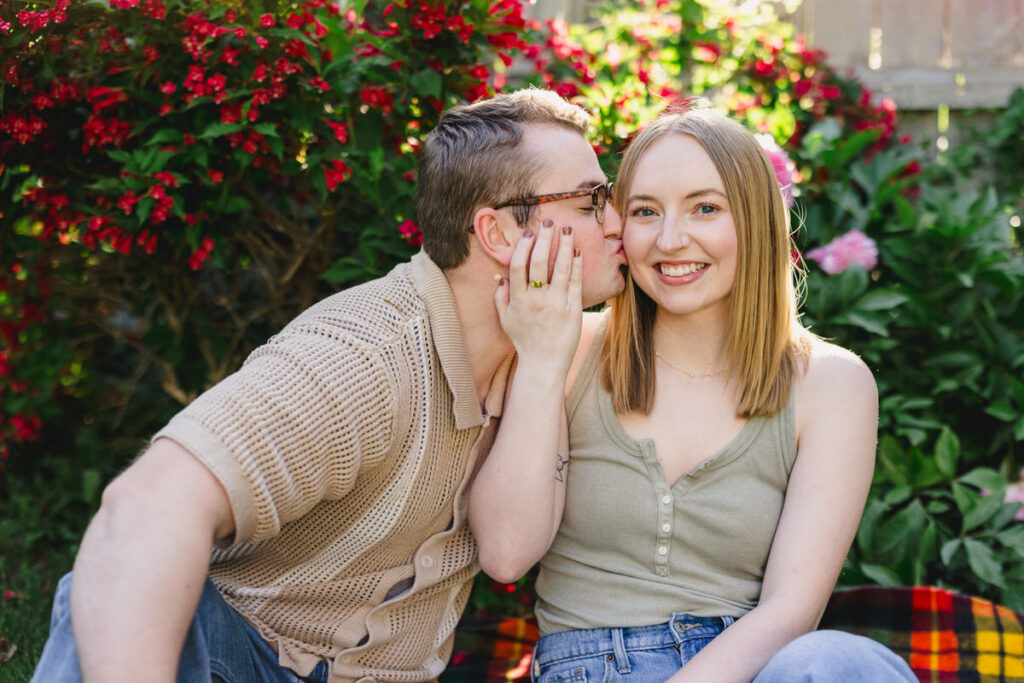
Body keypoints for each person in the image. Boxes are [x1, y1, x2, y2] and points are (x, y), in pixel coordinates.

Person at [30, 88, 627, 683]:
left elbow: (508, 555)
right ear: (498, 235)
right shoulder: (364, 357)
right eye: (590, 201)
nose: (617, 221)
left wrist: (547, 363)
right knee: (127, 587)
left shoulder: (546, 343)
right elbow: (145, 507)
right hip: (249, 662)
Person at [469, 103, 918, 681]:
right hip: (589, 668)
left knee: (836, 660)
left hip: (747, 668)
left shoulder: (832, 384)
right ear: (619, 227)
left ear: (756, 221)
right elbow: (505, 555)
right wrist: (538, 362)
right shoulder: (568, 347)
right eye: (645, 211)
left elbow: (791, 611)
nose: (671, 239)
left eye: (705, 208)